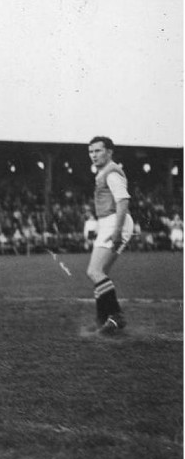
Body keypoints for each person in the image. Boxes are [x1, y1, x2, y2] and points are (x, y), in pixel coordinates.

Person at [86, 136, 134, 335]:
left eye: (98, 151)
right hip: (109, 222)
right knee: (99, 272)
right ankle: (104, 320)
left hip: (116, 222)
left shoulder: (112, 172)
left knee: (95, 271)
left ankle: (115, 316)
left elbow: (123, 201)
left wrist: (116, 231)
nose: (93, 155)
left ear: (109, 152)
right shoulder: (105, 172)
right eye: (91, 152)